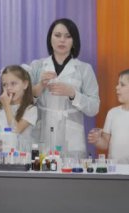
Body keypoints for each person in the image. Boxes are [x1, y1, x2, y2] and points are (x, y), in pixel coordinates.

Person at [23, 18, 99, 158]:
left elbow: (94, 108)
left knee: (70, 176)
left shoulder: (84, 69)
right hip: (42, 135)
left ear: (74, 41)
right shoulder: (37, 66)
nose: (62, 40)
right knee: (42, 175)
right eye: (57, 35)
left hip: (72, 141)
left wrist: (73, 93)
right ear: (50, 38)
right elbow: (23, 103)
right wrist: (40, 86)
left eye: (68, 36)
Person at [0, 65, 38, 153]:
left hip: (21, 160)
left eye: (13, 83)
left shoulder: (31, 110)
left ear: (25, 84)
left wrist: (6, 106)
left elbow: (16, 130)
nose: (9, 88)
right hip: (0, 159)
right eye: (5, 85)